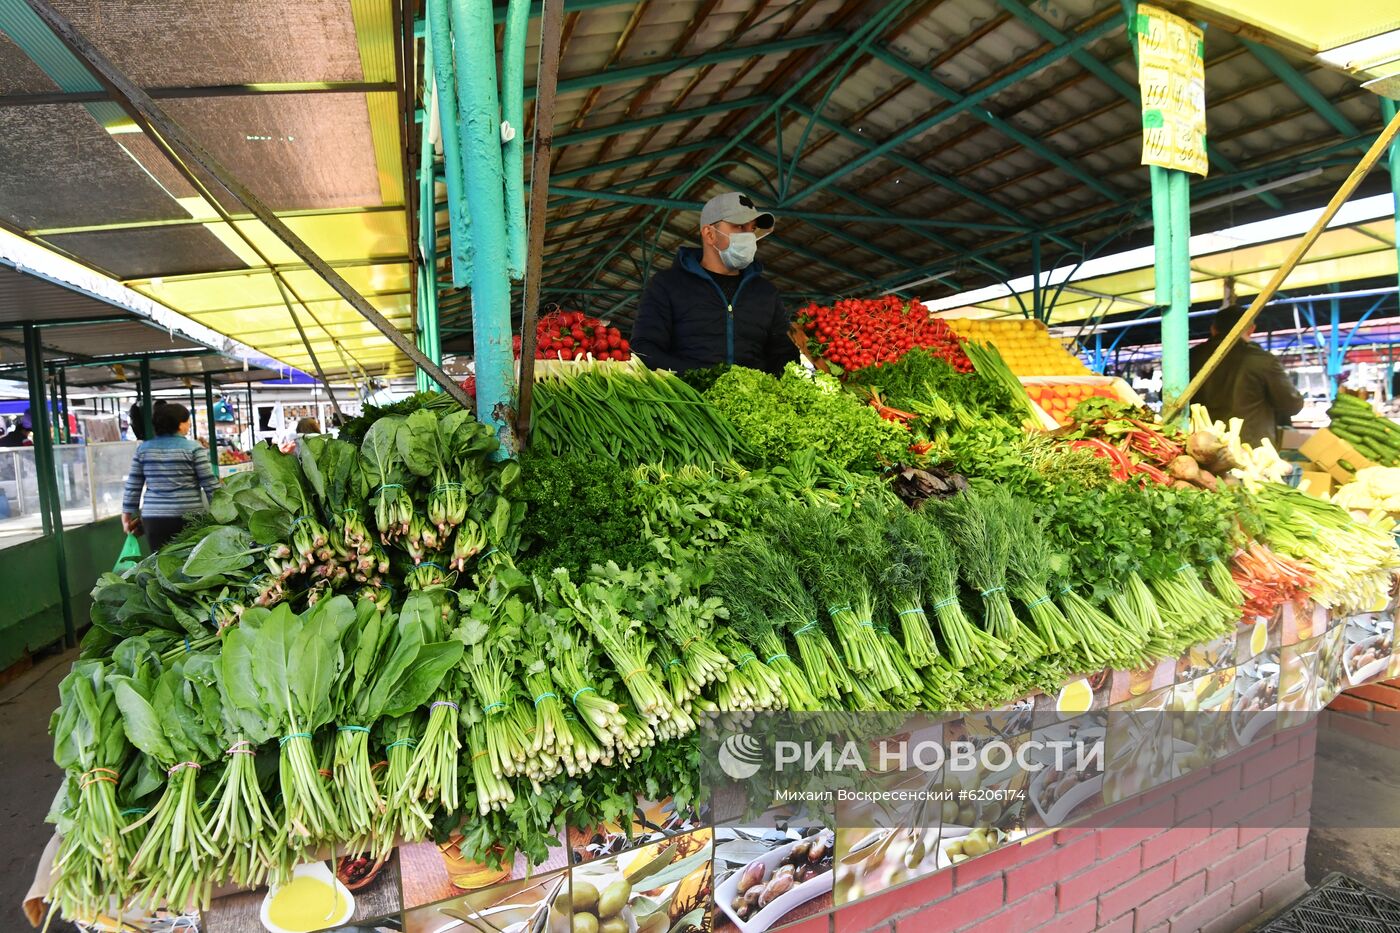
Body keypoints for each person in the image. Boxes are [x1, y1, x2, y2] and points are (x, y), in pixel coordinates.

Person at [631, 192, 798, 375]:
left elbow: (784, 354)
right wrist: (700, 380)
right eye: (740, 226)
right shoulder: (667, 285)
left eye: (751, 229)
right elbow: (645, 348)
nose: (749, 236)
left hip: (754, 399)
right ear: (709, 234)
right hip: (687, 401)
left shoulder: (766, 293)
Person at [1189, 304, 1304, 447]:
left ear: (1213, 329)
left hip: (1198, 447)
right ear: (1251, 329)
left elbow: (1169, 397)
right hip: (1249, 451)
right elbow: (1292, 405)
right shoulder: (1262, 360)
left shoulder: (1189, 358)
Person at [121, 402, 220, 552]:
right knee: (188, 563)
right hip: (189, 516)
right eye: (187, 421)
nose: (189, 425)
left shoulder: (143, 450)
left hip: (154, 517)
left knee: (160, 562)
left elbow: (133, 485)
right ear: (180, 425)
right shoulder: (194, 448)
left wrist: (127, 515)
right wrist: (220, 510)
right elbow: (210, 483)